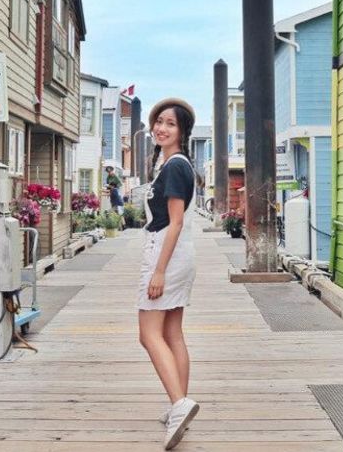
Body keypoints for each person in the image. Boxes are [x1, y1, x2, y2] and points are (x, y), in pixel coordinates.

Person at [138, 98, 201, 449]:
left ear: (182, 131)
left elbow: (174, 222)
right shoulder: (170, 164)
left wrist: (158, 272)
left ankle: (179, 404)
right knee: (173, 331)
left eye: (170, 124)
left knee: (149, 335)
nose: (162, 128)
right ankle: (180, 403)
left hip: (166, 253)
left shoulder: (175, 166)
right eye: (159, 121)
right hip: (176, 254)